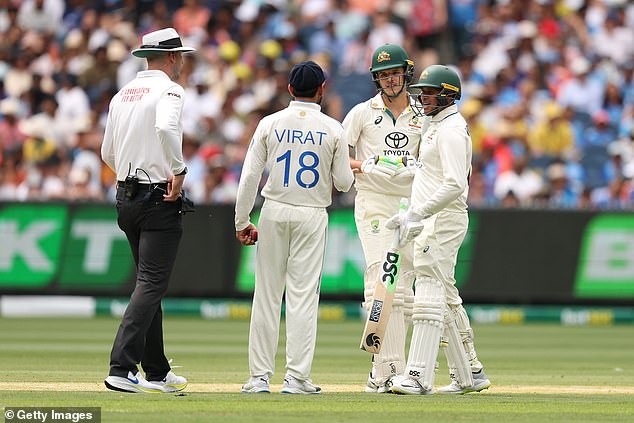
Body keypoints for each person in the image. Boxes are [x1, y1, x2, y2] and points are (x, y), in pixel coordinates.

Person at [235, 61, 354, 395]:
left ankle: (259, 378)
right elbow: (344, 183)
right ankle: (297, 378)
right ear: (322, 90)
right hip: (312, 214)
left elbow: (249, 177)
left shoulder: (270, 123)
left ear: (289, 89)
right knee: (302, 298)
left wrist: (241, 221)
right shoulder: (333, 128)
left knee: (267, 296)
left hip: (274, 210)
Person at [386, 64, 491, 395]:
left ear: (449, 95)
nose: (423, 98)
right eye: (422, 92)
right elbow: (430, 174)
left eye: (430, 92)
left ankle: (418, 376)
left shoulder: (451, 130)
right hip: (431, 218)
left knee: (429, 289)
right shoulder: (437, 126)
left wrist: (418, 212)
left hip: (443, 219)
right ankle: (469, 373)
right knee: (444, 294)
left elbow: (455, 184)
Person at [101, 27, 194, 394]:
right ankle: (121, 366)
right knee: (152, 283)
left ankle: (156, 371)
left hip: (126, 196)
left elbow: (108, 152)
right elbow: (166, 126)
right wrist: (178, 169)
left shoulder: (122, 94)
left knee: (147, 284)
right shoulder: (170, 89)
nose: (183, 62)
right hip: (158, 197)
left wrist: (129, 174)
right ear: (171, 57)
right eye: (181, 56)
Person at [342, 44, 422, 392]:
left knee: (402, 289)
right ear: (377, 79)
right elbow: (337, 159)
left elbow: (437, 161)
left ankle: (386, 372)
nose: (390, 80)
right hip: (373, 203)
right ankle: (387, 368)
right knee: (380, 280)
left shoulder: (423, 113)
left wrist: (418, 167)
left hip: (412, 206)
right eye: (384, 75)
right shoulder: (361, 113)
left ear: (406, 73)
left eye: (395, 73)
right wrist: (364, 164)